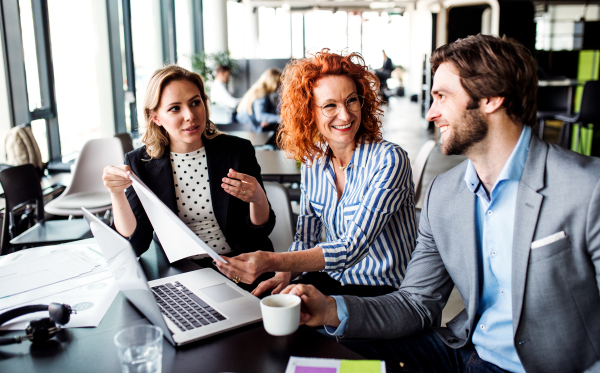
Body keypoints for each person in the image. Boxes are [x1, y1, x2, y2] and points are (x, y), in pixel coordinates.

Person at [280, 35, 600, 373]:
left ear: (491, 98)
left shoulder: (587, 188)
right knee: (326, 360)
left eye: (442, 97)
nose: (431, 113)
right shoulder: (444, 193)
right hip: (461, 351)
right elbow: (415, 303)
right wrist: (330, 309)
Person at [215, 49, 417, 298]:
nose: (345, 115)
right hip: (333, 280)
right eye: (330, 105)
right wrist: (285, 273)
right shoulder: (314, 162)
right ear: (309, 112)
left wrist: (273, 261)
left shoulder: (389, 159)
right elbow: (306, 236)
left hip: (386, 291)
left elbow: (351, 248)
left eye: (351, 100)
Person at [102, 65, 276, 288]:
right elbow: (136, 244)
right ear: (154, 117)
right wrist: (117, 194)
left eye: (195, 102)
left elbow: (258, 234)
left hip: (240, 267)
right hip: (182, 274)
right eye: (175, 108)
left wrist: (259, 199)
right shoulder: (140, 163)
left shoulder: (236, 151)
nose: (190, 116)